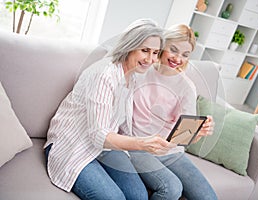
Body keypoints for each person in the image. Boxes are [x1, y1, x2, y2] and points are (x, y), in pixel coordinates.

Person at [44, 19, 176, 200]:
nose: (150, 59)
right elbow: (98, 135)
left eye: (155, 52)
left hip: (106, 148)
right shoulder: (104, 74)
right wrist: (141, 144)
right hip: (73, 144)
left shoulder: (134, 76)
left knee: (139, 196)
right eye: (144, 50)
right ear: (130, 46)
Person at [129, 24, 218, 200]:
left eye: (185, 55)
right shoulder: (141, 70)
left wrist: (199, 132)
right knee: (170, 188)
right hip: (137, 146)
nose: (178, 58)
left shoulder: (186, 87)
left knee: (208, 198)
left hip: (170, 152)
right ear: (162, 46)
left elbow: (184, 137)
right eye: (174, 50)